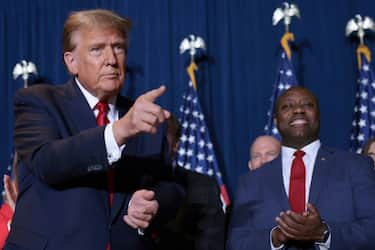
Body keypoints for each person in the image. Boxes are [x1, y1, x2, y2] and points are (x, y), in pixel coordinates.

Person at [6, 9, 183, 250]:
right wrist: (118, 131)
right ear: (71, 62)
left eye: (118, 47)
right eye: (97, 49)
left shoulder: (145, 116)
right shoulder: (38, 101)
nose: (111, 59)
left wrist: (154, 204)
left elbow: (171, 186)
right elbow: (47, 162)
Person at [227, 86, 375, 250]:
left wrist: (324, 233)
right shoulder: (251, 181)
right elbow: (236, 243)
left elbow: (372, 230)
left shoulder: (356, 166)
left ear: (318, 115)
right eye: (287, 106)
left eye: (307, 105)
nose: (298, 110)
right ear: (276, 120)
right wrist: (275, 237)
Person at [155, 115, 226, 250]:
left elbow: (210, 244)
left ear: (176, 144)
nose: (152, 143)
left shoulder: (203, 187)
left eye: (160, 137)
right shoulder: (127, 182)